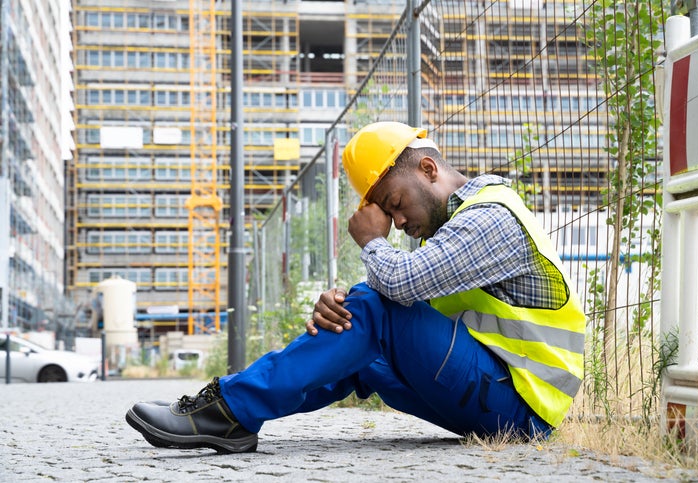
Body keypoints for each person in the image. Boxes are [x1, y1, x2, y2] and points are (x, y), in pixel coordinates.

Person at [126, 121, 586, 454]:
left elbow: (399, 286)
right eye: (389, 213)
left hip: (521, 409)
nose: (399, 223)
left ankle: (229, 410)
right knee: (359, 325)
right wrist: (339, 310)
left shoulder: (490, 217)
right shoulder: (455, 231)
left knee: (372, 306)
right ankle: (236, 415)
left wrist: (370, 241)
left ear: (428, 168)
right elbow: (399, 301)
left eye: (396, 203)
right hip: (492, 395)